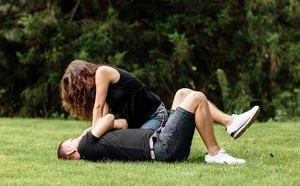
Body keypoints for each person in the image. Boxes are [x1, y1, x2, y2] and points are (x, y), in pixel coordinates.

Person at [57, 88, 260, 164]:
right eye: (70, 140)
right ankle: (215, 153)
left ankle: (231, 123)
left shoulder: (95, 145)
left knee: (182, 94)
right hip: (162, 148)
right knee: (197, 98)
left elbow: (122, 123)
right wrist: (88, 131)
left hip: (161, 139)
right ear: (70, 150)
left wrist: (97, 129)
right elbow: (109, 118)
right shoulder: (84, 146)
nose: (74, 137)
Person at [60, 60, 258, 138]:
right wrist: (87, 136)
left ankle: (230, 122)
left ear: (85, 72)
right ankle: (230, 122)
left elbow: (98, 108)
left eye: (80, 84)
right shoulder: (99, 90)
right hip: (140, 123)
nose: (84, 88)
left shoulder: (102, 73)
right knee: (183, 95)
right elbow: (102, 121)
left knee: (146, 144)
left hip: (156, 115)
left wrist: (91, 136)